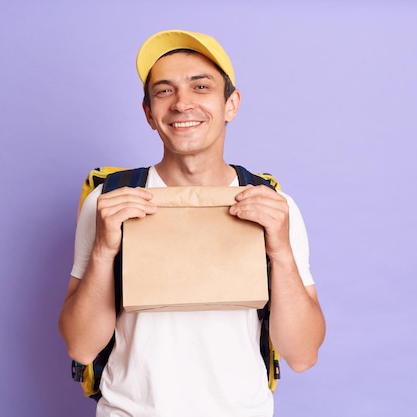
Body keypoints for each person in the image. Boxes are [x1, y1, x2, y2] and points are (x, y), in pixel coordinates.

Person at [58, 29, 326, 417]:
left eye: (201, 86)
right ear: (149, 113)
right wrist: (104, 251)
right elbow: (81, 347)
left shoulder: (273, 206)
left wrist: (280, 252)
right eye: (164, 91)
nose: (183, 103)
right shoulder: (109, 201)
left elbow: (302, 355)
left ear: (230, 104)